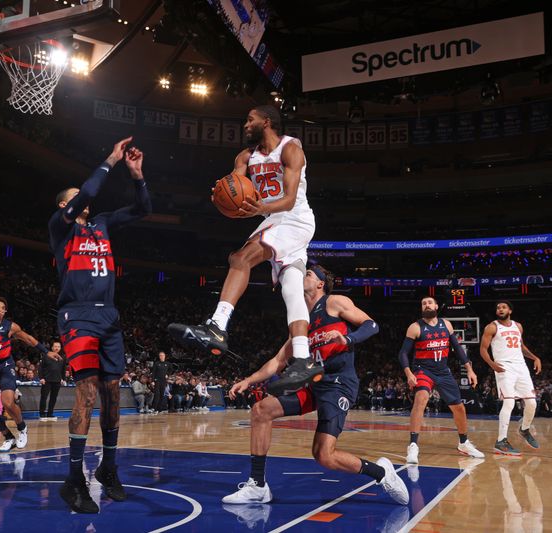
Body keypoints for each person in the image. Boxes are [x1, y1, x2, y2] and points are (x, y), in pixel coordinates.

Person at [223, 265, 408, 506]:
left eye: (308, 274)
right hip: (312, 384)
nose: (302, 277)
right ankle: (257, 485)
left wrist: (348, 338)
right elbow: (278, 361)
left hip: (338, 383)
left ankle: (382, 473)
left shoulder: (334, 302)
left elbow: (371, 325)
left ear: (321, 283)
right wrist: (247, 381)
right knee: (261, 410)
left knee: (324, 456)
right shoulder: (300, 321)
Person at [169, 105, 321, 395]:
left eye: (249, 119)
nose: (245, 124)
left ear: (266, 122)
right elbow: (232, 185)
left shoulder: (291, 149)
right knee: (292, 289)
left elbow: (289, 199)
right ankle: (303, 359)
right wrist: (221, 195)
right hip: (274, 220)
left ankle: (217, 325)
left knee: (240, 257)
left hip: (294, 218)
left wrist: (260, 207)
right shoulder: (245, 157)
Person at [48, 137, 150, 513]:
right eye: (76, 197)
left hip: (109, 315)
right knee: (86, 395)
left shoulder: (103, 224)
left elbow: (144, 208)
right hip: (77, 315)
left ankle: (108, 467)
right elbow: (89, 188)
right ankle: (74, 478)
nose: (86, 199)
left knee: (111, 396)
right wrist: (110, 159)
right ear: (65, 205)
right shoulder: (61, 228)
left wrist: (137, 176)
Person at [398, 297, 484, 464]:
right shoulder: (415, 327)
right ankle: (413, 446)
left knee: (459, 408)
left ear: (436, 306)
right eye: (423, 303)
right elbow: (402, 353)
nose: (427, 305)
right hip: (423, 370)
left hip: (443, 371)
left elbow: (458, 349)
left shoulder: (446, 324)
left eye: (430, 302)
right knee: (421, 398)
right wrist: (409, 373)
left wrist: (470, 370)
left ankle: (463, 443)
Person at [0, 296, 58, 451]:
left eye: (3, 308)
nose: (0, 310)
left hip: (5, 367)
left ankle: (22, 428)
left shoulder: (10, 326)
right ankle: (9, 437)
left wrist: (45, 351)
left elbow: (27, 339)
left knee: (8, 402)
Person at [479, 301, 542, 455]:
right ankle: (501, 441)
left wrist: (535, 358)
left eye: (503, 307)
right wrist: (491, 364)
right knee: (509, 402)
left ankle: (524, 429)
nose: (500, 309)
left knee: (532, 403)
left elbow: (521, 347)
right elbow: (483, 349)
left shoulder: (518, 326)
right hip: (504, 367)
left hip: (521, 366)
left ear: (510, 310)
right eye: (498, 308)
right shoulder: (492, 327)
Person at [39, 340, 66, 421]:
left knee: (53, 398)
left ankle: (50, 414)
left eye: (58, 346)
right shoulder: (46, 356)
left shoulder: (63, 357)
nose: (57, 348)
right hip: (46, 380)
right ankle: (42, 414)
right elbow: (40, 368)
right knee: (44, 397)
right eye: (55, 346)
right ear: (52, 347)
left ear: (60, 348)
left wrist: (63, 379)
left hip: (57, 380)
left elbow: (63, 369)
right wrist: (41, 378)